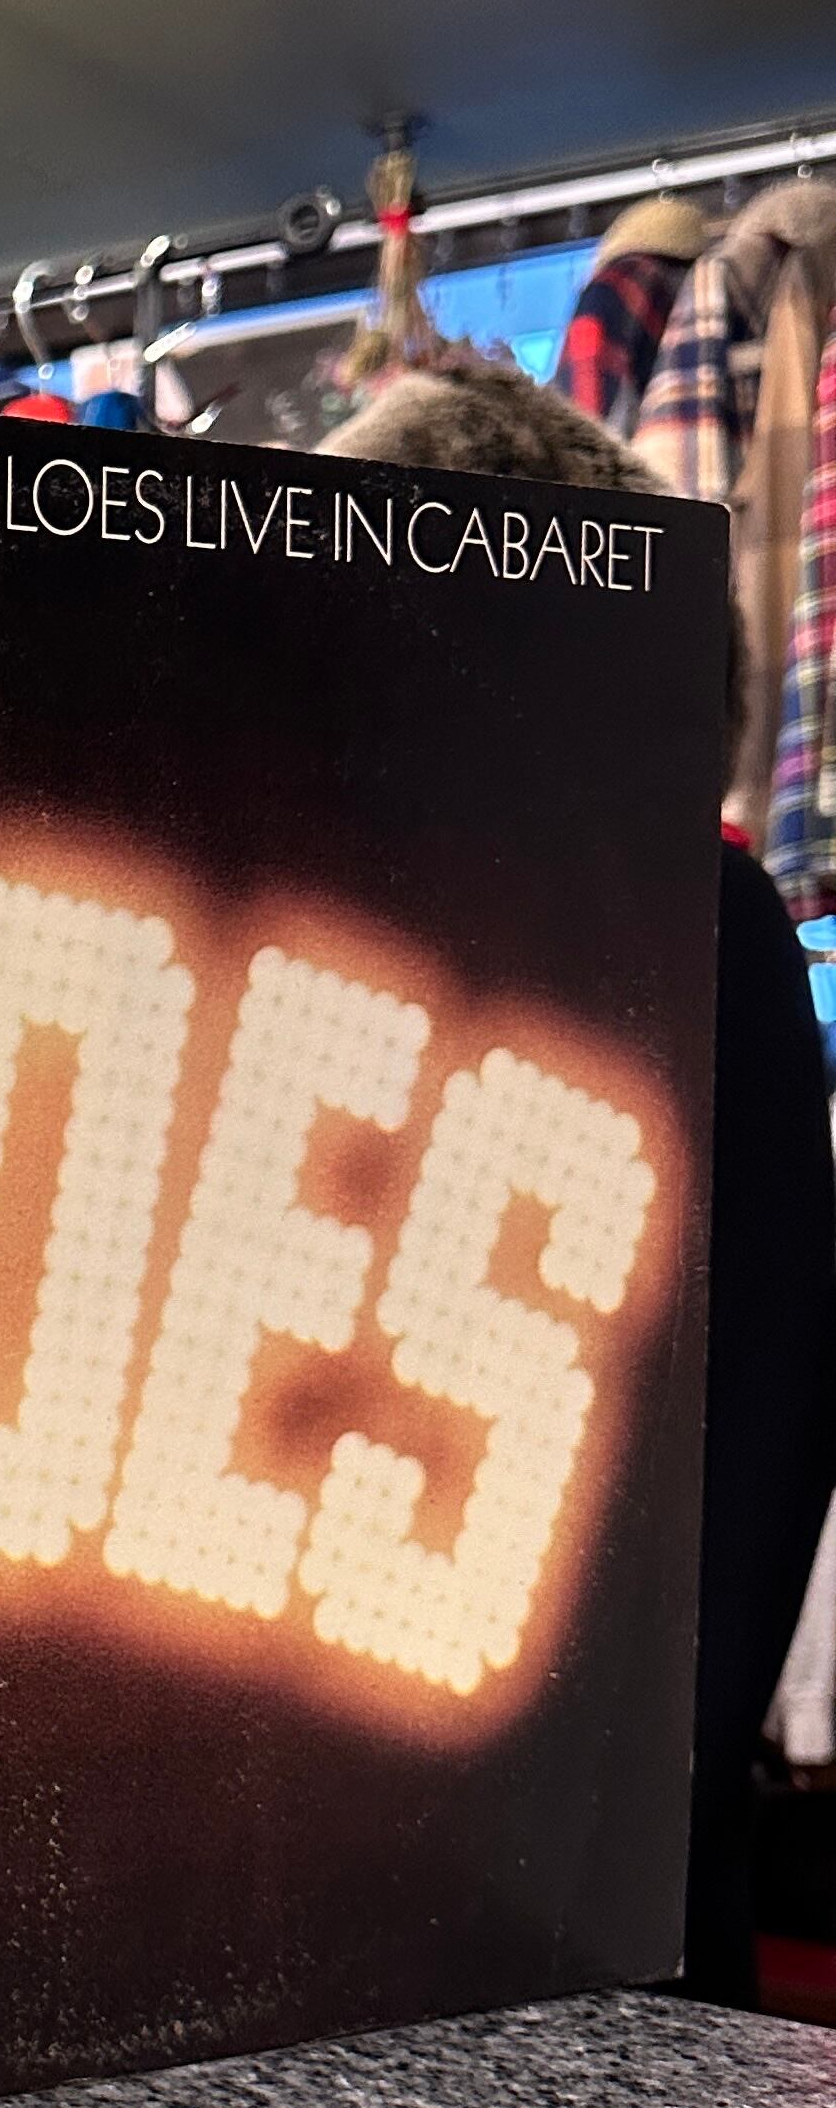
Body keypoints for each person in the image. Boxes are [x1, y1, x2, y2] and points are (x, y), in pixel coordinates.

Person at [323, 360, 835, 2003]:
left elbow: (743, 1489)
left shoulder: (691, 937)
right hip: (528, 1914)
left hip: (564, 1936)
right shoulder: (671, 932)